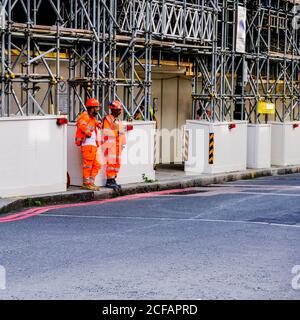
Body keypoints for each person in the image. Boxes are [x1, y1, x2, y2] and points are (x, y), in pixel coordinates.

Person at [75, 98, 102, 191]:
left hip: (92, 145)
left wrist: (99, 124)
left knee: (97, 164)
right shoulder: (85, 116)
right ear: (91, 108)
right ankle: (86, 183)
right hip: (87, 144)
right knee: (88, 165)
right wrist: (89, 133)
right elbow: (81, 125)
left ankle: (90, 183)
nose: (98, 109)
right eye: (96, 108)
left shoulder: (91, 117)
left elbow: (96, 124)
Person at [102, 100, 127, 191]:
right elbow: (106, 131)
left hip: (118, 145)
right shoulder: (108, 119)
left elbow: (122, 133)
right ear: (112, 109)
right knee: (111, 163)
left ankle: (113, 179)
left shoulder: (118, 121)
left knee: (117, 163)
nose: (119, 111)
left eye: (120, 110)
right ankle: (110, 180)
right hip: (111, 144)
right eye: (117, 110)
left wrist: (123, 144)